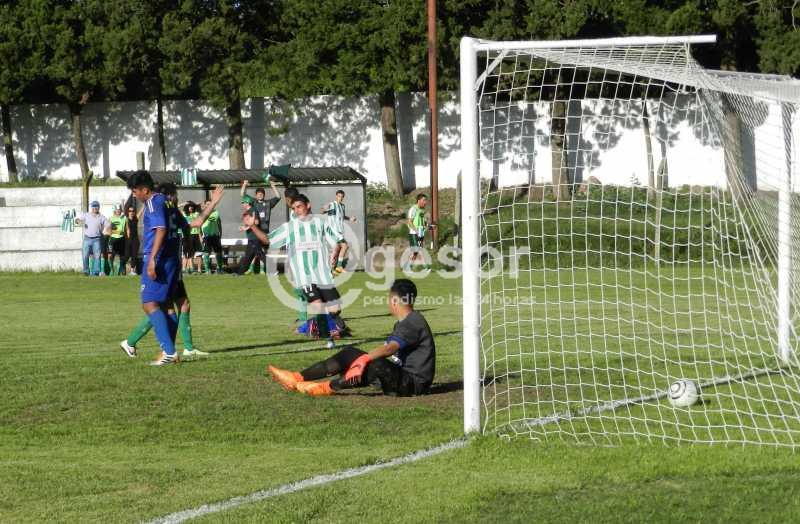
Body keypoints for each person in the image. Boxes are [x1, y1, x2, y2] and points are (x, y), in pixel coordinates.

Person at [268, 279, 435, 397]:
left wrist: (364, 359)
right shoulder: (407, 321)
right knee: (350, 353)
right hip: (401, 377)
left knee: (375, 362)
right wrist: (360, 359)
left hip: (413, 385)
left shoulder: (413, 322)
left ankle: (325, 388)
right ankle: (296, 377)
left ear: (395, 301)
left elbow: (390, 348)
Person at [122, 171, 223, 365]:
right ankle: (165, 350)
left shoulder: (153, 203)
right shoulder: (168, 204)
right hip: (171, 261)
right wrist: (213, 203)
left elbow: (161, 229)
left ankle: (168, 351)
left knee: (149, 303)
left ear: (144, 189)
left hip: (160, 259)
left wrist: (152, 259)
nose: (134, 195)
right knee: (169, 306)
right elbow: (195, 223)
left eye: (135, 191)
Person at [244, 193, 347, 349]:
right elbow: (268, 240)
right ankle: (329, 339)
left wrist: (335, 252)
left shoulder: (321, 222)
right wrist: (253, 226)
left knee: (335, 310)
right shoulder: (289, 227)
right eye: (294, 208)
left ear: (308, 205)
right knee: (320, 308)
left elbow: (337, 241)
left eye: (299, 207)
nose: (296, 210)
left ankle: (307, 327)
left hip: (323, 276)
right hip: (304, 277)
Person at [241, 179, 281, 274]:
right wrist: (245, 184)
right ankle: (251, 269)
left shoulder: (268, 203)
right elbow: (242, 194)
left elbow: (278, 197)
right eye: (258, 194)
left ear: (264, 195)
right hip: (255, 231)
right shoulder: (253, 202)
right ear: (256, 195)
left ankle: (262, 269)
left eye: (261, 194)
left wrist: (273, 185)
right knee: (256, 251)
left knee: (261, 250)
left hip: (264, 231)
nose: (260, 195)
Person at [321, 189, 357, 273]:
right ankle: (338, 267)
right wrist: (324, 208)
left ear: (343, 198)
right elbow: (322, 211)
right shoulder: (332, 204)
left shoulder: (342, 206)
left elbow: (342, 216)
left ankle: (332, 269)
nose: (340, 198)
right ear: (336, 196)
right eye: (339, 196)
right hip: (333, 230)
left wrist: (350, 219)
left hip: (339, 231)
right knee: (344, 246)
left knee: (338, 249)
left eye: (342, 197)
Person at [75, 200, 109, 276]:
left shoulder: (102, 217)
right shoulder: (86, 215)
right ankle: (86, 271)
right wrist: (79, 221)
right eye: (93, 207)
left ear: (99, 208)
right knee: (85, 255)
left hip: (97, 239)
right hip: (87, 238)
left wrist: (110, 227)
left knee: (97, 256)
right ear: (91, 207)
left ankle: (96, 272)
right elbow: (76, 220)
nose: (95, 208)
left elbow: (108, 224)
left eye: (96, 207)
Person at [235, 195, 263, 275]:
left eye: (243, 202)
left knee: (258, 255)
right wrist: (243, 227)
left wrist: (245, 228)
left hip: (255, 237)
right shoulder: (248, 212)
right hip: (251, 237)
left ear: (247, 203)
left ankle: (240, 273)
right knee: (249, 256)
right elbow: (250, 223)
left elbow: (256, 222)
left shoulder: (253, 210)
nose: (242, 204)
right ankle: (240, 273)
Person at [201, 199, 224, 274]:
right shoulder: (202, 213)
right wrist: (200, 237)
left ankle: (219, 269)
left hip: (215, 235)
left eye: (210, 204)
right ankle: (207, 270)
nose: (208, 205)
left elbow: (219, 223)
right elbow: (199, 226)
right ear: (205, 205)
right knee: (206, 253)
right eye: (207, 204)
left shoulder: (216, 212)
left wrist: (220, 234)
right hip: (206, 236)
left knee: (218, 252)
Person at [406, 193, 428, 268]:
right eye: (424, 200)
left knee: (416, 252)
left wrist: (427, 225)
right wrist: (416, 231)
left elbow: (423, 221)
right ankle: (426, 267)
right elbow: (409, 222)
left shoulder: (422, 210)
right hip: (414, 234)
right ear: (419, 200)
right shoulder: (413, 209)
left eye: (426, 200)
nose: (425, 202)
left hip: (421, 233)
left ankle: (407, 267)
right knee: (418, 250)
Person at [182, 202, 202, 274]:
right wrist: (183, 204)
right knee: (189, 253)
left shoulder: (196, 214)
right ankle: (191, 268)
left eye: (192, 206)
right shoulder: (184, 214)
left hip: (196, 234)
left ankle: (198, 269)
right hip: (188, 235)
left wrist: (200, 236)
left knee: (198, 253)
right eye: (189, 206)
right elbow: (176, 208)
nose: (191, 207)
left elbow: (199, 225)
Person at [108, 205, 127, 275]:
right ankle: (111, 270)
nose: (118, 211)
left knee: (122, 256)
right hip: (113, 239)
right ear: (115, 210)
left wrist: (127, 237)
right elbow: (109, 231)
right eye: (117, 210)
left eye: (119, 210)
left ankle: (120, 271)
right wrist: (117, 232)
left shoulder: (124, 218)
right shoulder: (111, 218)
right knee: (110, 256)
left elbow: (127, 228)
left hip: (121, 238)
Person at [121, 206, 140, 275]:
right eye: (130, 211)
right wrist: (128, 234)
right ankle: (122, 263)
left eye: (133, 211)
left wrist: (145, 205)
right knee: (127, 255)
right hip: (128, 240)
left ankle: (132, 271)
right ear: (128, 212)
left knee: (134, 255)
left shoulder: (136, 219)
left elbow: (140, 213)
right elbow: (127, 228)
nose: (131, 212)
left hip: (135, 240)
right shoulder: (126, 219)